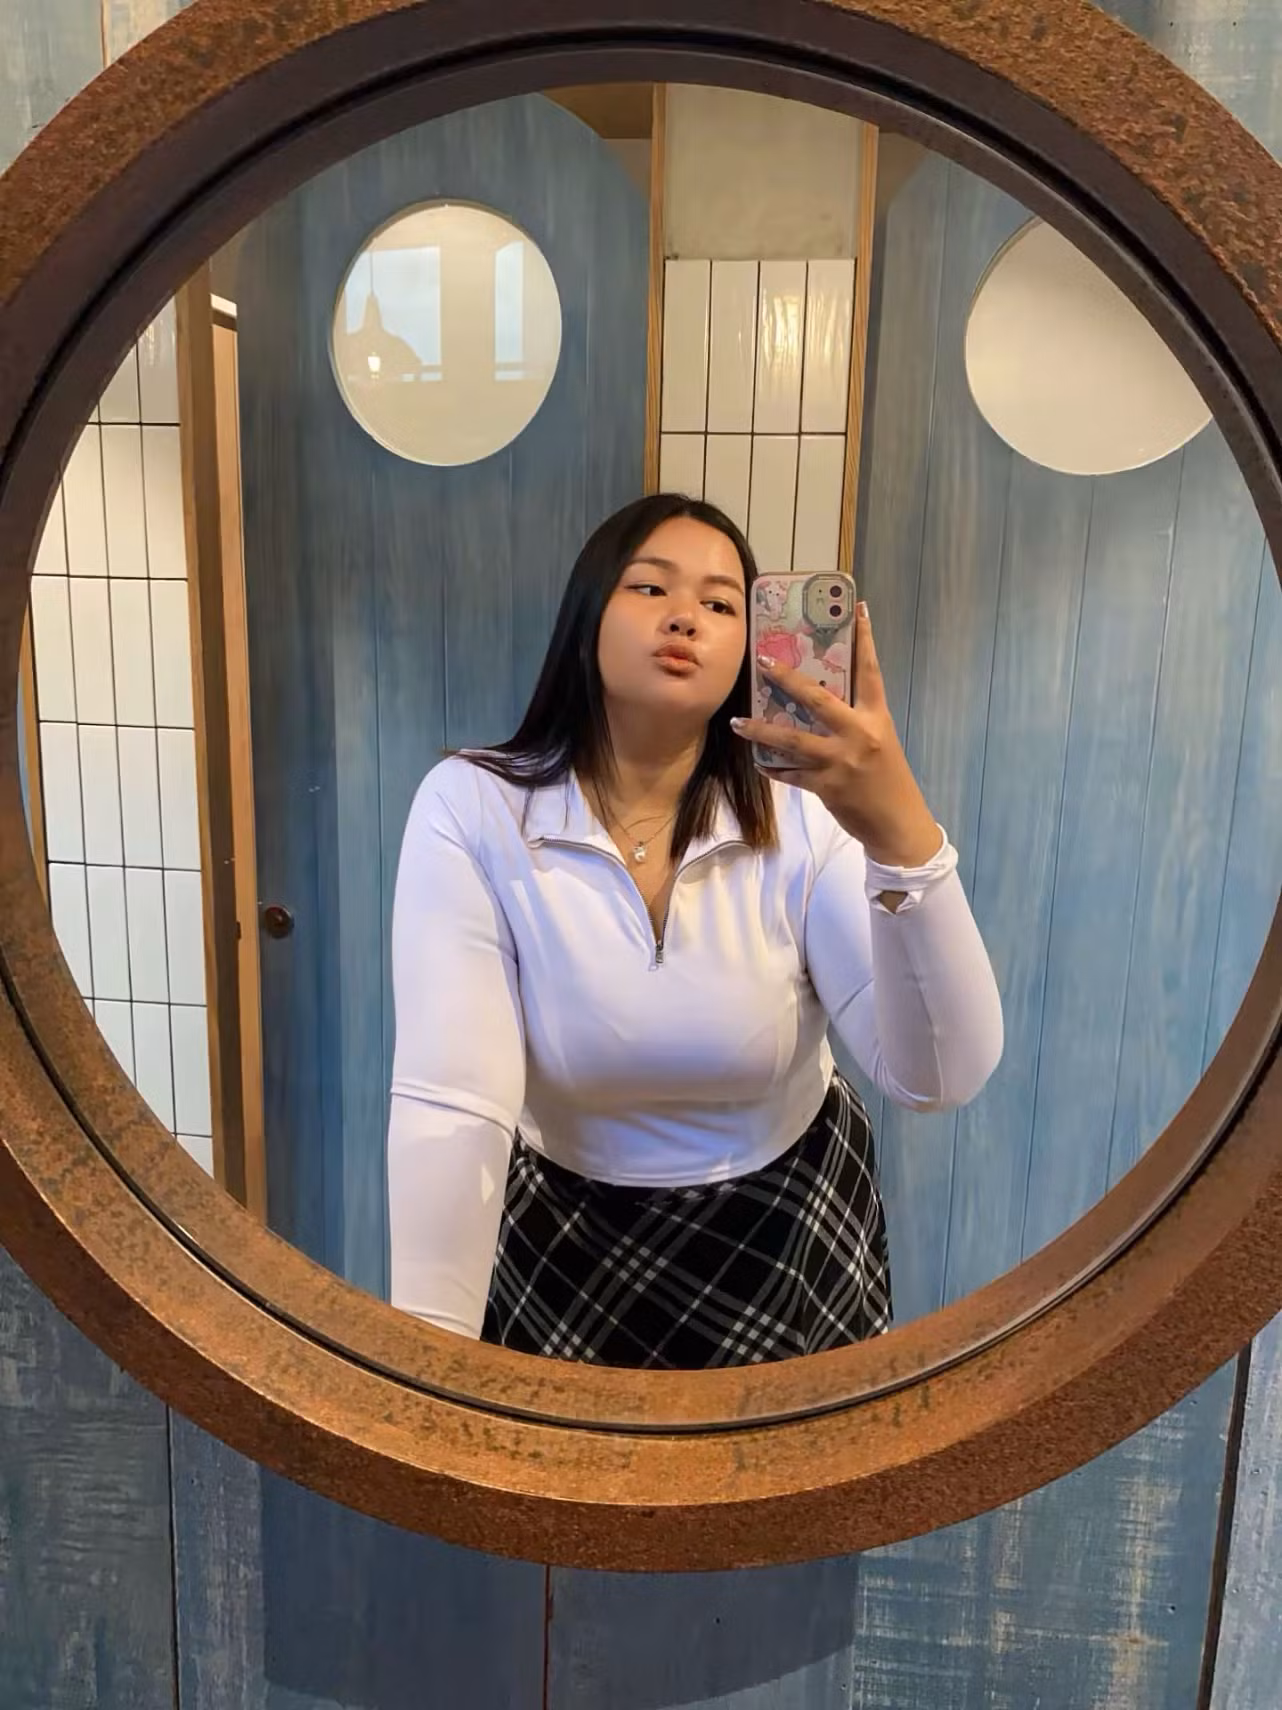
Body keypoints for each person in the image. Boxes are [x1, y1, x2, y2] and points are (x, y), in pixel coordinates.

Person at [387, 493, 1003, 1369]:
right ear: (587, 617)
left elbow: (937, 1076)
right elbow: (454, 1098)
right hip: (563, 1228)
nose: (685, 617)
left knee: (783, 1462)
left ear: (749, 648)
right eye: (649, 588)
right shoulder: (474, 805)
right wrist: (429, 1366)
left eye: (720, 604)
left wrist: (900, 833)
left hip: (788, 1224)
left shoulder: (804, 811)